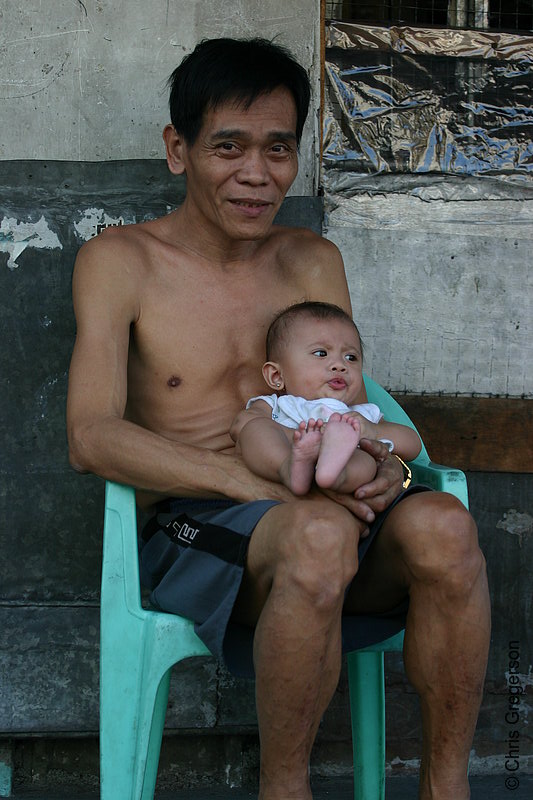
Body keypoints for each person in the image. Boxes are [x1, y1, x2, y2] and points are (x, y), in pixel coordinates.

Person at [67, 36, 490, 800]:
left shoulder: (311, 260)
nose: (255, 174)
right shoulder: (119, 261)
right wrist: (236, 477)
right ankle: (283, 791)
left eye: (277, 149)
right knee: (319, 534)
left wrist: (386, 470)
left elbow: (344, 400)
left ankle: (444, 789)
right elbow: (90, 436)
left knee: (446, 528)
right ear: (178, 148)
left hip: (322, 504)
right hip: (197, 524)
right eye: (227, 146)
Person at [231, 300, 422, 496]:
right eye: (321, 353)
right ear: (277, 376)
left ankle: (334, 475)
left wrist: (373, 431)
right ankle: (288, 469)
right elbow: (240, 425)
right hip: (289, 452)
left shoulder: (361, 414)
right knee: (255, 429)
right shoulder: (278, 404)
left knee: (365, 459)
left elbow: (413, 444)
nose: (340, 365)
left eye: (351, 357)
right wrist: (298, 437)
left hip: (344, 462)